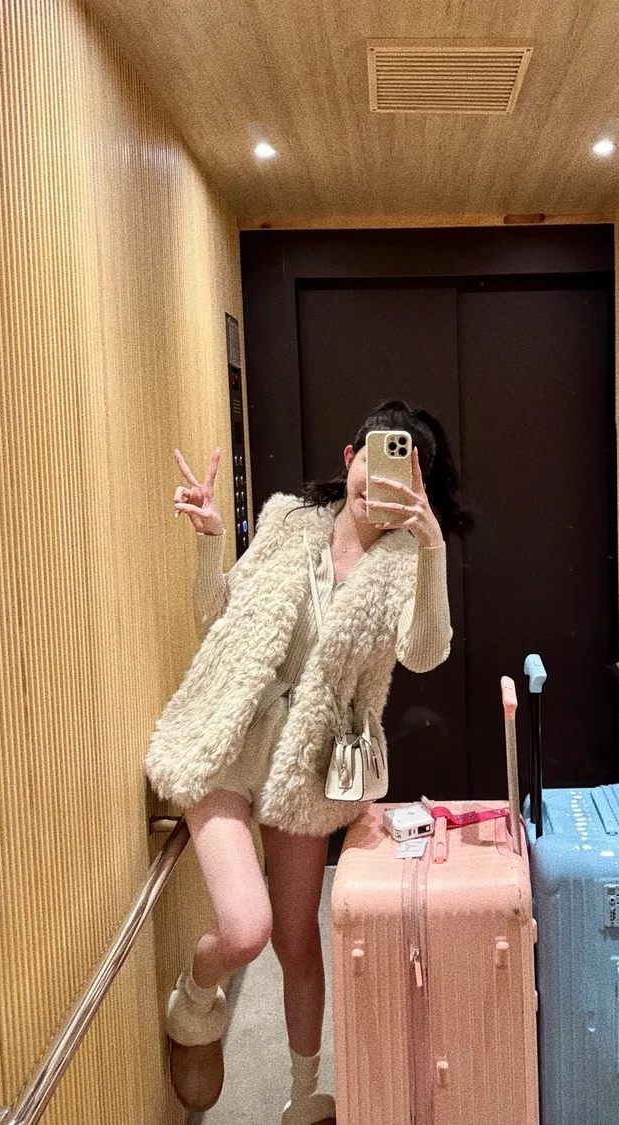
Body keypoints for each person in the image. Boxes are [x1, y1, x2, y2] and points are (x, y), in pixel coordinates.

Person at [144, 401, 466, 1125]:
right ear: (351, 457)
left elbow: (425, 653)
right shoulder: (288, 521)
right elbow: (216, 614)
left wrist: (432, 548)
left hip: (306, 766)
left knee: (298, 943)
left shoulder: (404, 566)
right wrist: (212, 541)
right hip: (227, 742)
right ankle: (195, 996)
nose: (380, 484)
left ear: (418, 486)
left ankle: (304, 1095)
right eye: (375, 462)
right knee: (246, 928)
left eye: (406, 474)